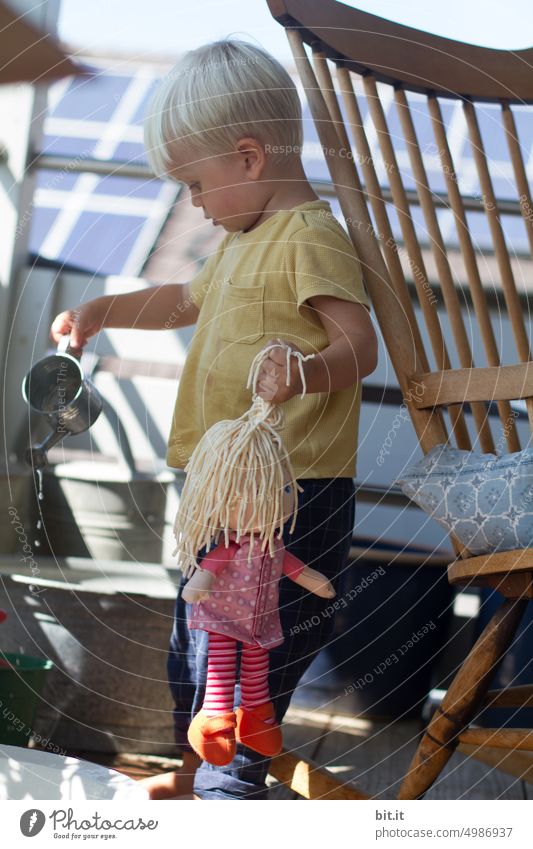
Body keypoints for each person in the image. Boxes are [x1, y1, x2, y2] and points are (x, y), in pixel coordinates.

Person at [50, 38, 378, 800]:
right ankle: (199, 766)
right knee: (193, 646)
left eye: (196, 184)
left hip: (288, 494)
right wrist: (103, 310)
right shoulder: (239, 241)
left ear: (248, 157)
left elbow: (356, 346)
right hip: (220, 498)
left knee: (246, 650)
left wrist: (303, 373)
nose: (194, 203)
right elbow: (178, 302)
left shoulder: (308, 238)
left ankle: (229, 792)